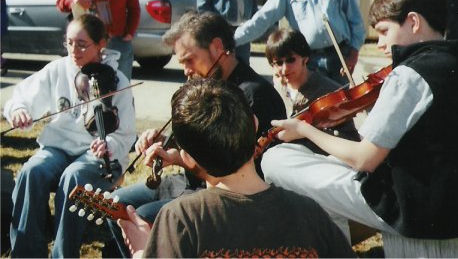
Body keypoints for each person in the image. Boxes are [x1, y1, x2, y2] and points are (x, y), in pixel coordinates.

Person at [260, 0, 458, 249]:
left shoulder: (408, 75)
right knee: (322, 179)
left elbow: (364, 160)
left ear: (413, 21)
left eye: (385, 31)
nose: (380, 45)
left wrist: (304, 129)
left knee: (278, 158)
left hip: (414, 214)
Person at [103, 11, 287, 258]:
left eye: (189, 60)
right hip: (187, 182)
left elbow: (237, 169)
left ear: (217, 47)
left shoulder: (255, 95)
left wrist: (178, 158)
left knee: (142, 217)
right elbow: (193, 141)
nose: (186, 72)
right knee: (114, 204)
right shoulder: (205, 85)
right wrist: (160, 140)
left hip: (221, 195)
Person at [117, 78, 355, 258]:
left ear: (187, 158)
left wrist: (141, 253)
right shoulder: (309, 213)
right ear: (254, 123)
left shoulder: (183, 219)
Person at [4, 14, 137, 258]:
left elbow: (126, 133)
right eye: (69, 43)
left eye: (82, 44)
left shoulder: (117, 80)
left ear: (100, 45)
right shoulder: (58, 69)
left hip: (96, 154)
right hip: (59, 148)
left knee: (73, 177)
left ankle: (63, 254)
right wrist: (19, 110)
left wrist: (109, 144)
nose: (74, 50)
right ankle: (26, 252)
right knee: (32, 170)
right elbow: (22, 96)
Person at [235, 0, 366, 87]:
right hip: (308, 60)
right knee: (312, 107)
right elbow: (261, 20)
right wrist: (232, 40)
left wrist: (353, 54)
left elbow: (357, 21)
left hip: (339, 56)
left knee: (342, 107)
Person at [264, 27, 360, 155]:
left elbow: (351, 139)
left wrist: (307, 133)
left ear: (305, 58)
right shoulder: (276, 89)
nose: (285, 68)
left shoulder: (329, 92)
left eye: (290, 60)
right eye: (278, 63)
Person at [57, 0, 140, 81]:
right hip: (87, 44)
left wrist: (129, 33)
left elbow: (134, 8)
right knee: (86, 84)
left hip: (117, 42)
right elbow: (60, 2)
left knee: (120, 83)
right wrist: (73, 0)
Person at [197, 0, 258, 65]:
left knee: (243, 66)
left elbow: (253, 0)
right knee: (222, 65)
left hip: (243, 29)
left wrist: (253, 21)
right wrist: (213, 26)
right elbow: (202, 4)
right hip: (222, 30)